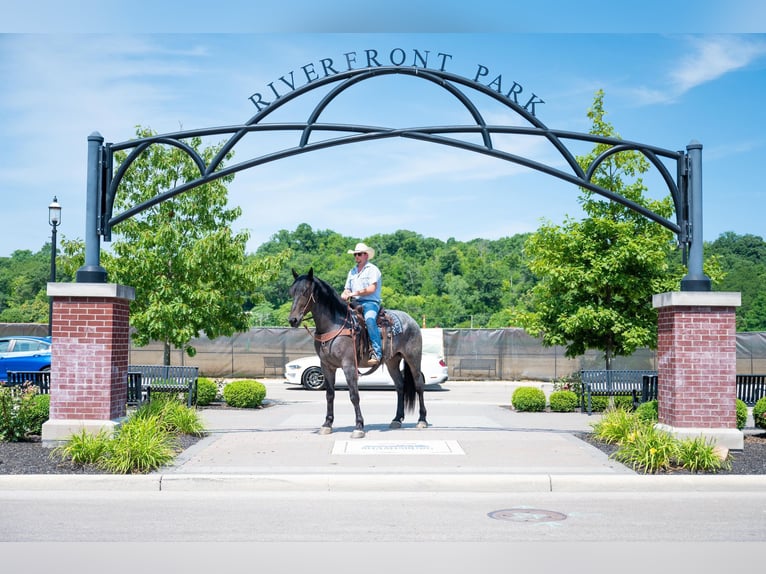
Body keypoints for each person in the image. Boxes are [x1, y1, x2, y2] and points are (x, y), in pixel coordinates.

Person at [340, 242, 383, 365]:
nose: (356, 257)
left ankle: (376, 352)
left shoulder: (373, 270)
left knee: (369, 320)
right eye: (355, 255)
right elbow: (347, 288)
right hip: (355, 303)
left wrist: (352, 294)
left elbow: (371, 289)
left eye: (358, 254)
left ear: (366, 255)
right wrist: (345, 293)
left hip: (370, 302)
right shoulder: (352, 271)